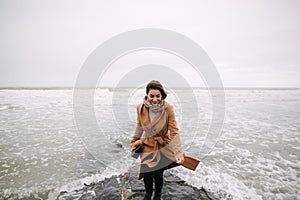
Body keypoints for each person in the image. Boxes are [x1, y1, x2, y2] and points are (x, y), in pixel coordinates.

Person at [131, 80, 200, 200]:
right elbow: (139, 126)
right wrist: (134, 140)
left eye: (158, 96)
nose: (155, 99)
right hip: (148, 143)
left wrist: (178, 152)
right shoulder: (140, 108)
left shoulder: (168, 108)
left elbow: (174, 131)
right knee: (147, 172)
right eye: (152, 96)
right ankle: (148, 194)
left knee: (158, 172)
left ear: (162, 95)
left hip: (162, 144)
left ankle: (157, 195)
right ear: (147, 95)